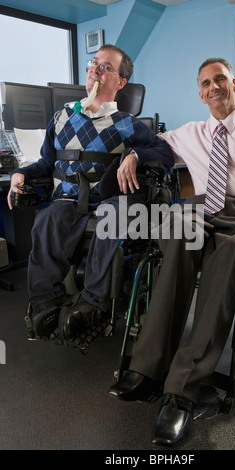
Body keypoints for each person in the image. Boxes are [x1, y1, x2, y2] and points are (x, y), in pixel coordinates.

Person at [108, 58, 235, 446]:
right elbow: (154, 144)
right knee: (176, 236)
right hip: (201, 209)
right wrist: (132, 155)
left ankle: (182, 392)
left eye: (220, 80)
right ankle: (145, 369)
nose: (213, 87)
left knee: (227, 255)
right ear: (199, 93)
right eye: (205, 83)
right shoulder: (191, 132)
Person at [7, 44, 174, 341]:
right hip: (70, 200)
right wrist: (22, 173)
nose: (95, 69)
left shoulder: (128, 123)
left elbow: (164, 153)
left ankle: (93, 303)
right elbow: (47, 162)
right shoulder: (61, 118)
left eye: (106, 67)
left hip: (111, 199)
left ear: (120, 83)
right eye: (94, 63)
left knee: (112, 216)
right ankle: (46, 300)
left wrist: (134, 155)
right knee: (48, 219)